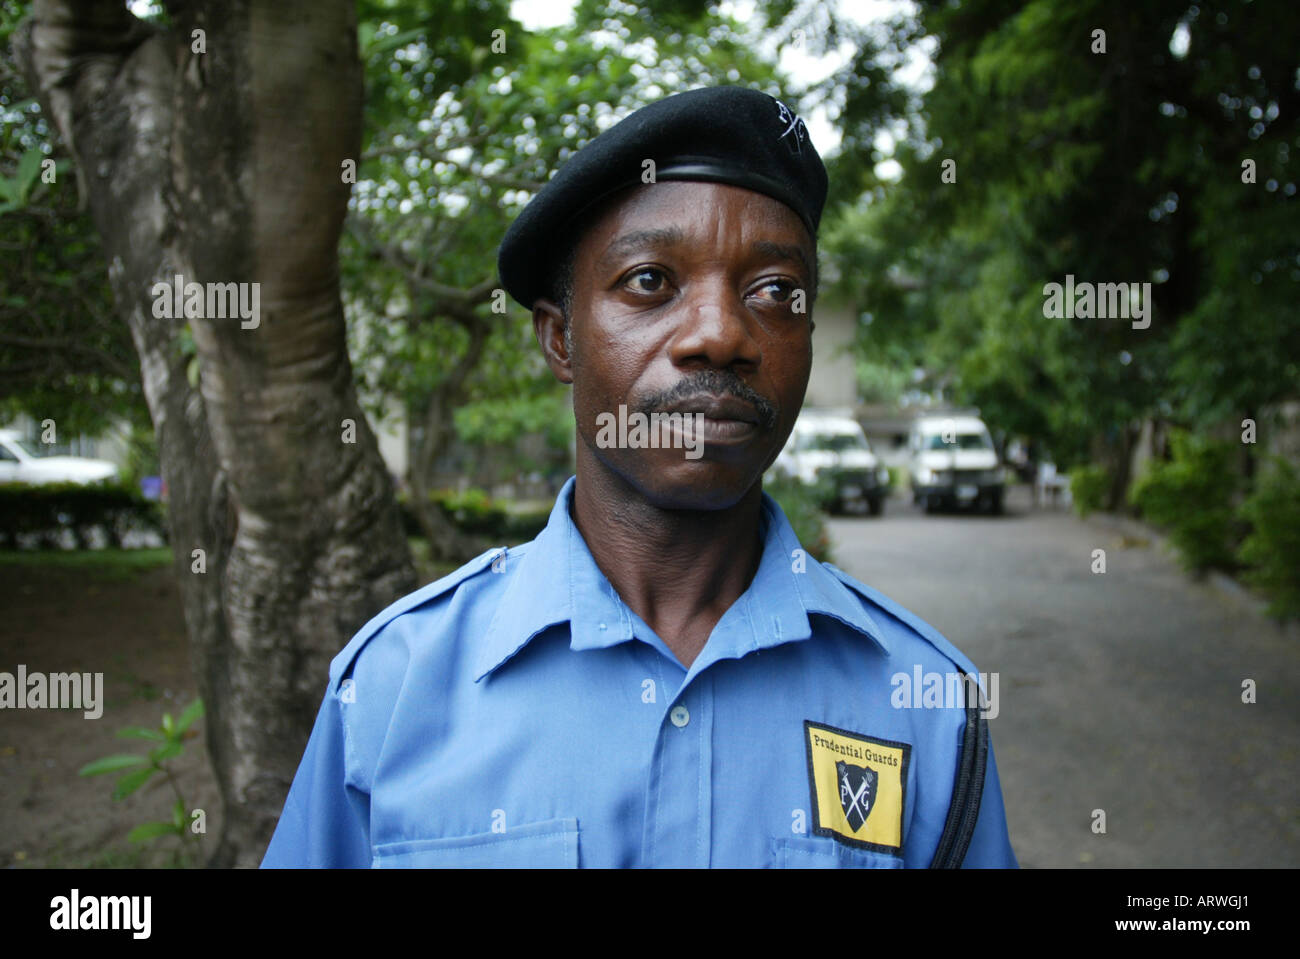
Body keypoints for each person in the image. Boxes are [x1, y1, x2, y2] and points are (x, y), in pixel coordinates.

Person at [261, 86, 1017, 868]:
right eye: (652, 281)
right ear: (560, 340)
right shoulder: (391, 690)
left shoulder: (927, 704)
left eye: (774, 292)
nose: (722, 334)